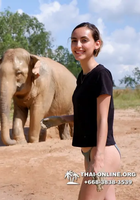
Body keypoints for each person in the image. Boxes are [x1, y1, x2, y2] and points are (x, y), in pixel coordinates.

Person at [41, 22, 121, 200]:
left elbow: (103, 119)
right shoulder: (83, 77)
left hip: (103, 152)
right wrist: (63, 118)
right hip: (90, 152)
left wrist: (99, 159)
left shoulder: (101, 75)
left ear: (97, 44)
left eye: (84, 40)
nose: (78, 46)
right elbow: (88, 114)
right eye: (74, 41)